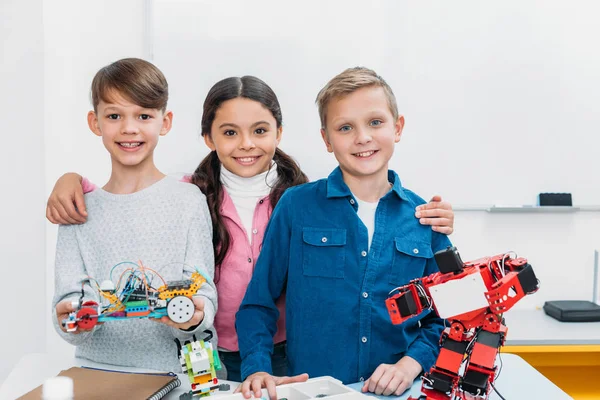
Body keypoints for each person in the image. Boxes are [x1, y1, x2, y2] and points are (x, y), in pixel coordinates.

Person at [46, 75, 454, 380]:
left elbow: (444, 316)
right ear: (208, 137)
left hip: (285, 355)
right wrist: (73, 182)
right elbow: (132, 204)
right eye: (229, 132)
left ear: (278, 132)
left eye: (259, 131)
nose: (246, 144)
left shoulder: (298, 197)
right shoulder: (190, 195)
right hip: (205, 350)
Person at [236, 67, 452, 398]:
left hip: (397, 393)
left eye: (375, 122)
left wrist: (410, 364)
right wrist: (258, 367)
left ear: (398, 128)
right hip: (312, 392)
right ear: (326, 139)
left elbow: (447, 319)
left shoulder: (425, 218)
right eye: (345, 127)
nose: (362, 137)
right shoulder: (297, 207)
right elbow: (258, 303)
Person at [52, 58, 217, 372]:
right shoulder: (77, 207)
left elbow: (204, 292)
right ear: (95, 122)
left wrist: (194, 314)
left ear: (164, 122)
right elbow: (67, 300)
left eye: (144, 115)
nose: (129, 128)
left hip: (178, 371)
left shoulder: (188, 201)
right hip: (98, 370)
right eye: (114, 115)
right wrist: (70, 317)